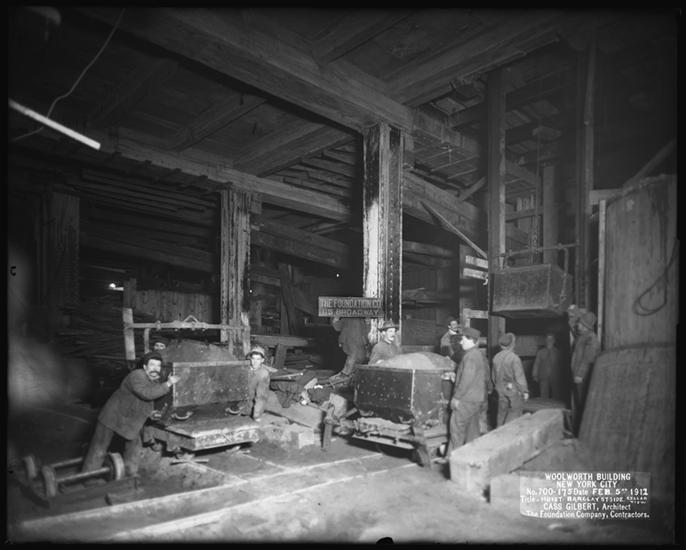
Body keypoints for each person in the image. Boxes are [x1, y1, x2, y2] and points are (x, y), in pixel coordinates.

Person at [81, 352, 180, 476]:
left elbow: (142, 402)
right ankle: (88, 477)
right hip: (112, 416)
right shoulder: (136, 375)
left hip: (130, 420)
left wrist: (150, 414)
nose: (155, 368)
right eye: (152, 365)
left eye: (158, 366)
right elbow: (147, 394)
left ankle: (130, 476)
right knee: (99, 448)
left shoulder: (154, 381)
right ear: (144, 366)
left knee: (134, 448)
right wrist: (168, 383)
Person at [441, 327, 489, 460]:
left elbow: (467, 379)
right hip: (475, 399)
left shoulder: (470, 356)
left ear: (472, 340)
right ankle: (472, 458)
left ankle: (453, 460)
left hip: (465, 400)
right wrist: (456, 376)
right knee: (472, 432)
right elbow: (472, 377)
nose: (461, 342)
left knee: (456, 428)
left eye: (463, 339)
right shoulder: (477, 354)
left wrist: (456, 397)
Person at [571, 311, 600, 434]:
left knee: (584, 404)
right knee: (578, 403)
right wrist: (572, 313)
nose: (577, 325)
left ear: (585, 326)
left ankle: (584, 432)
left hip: (583, 378)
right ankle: (578, 431)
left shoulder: (591, 338)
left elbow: (588, 359)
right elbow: (572, 326)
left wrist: (580, 374)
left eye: (580, 323)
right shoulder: (582, 336)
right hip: (577, 376)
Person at [493, 332, 529, 426]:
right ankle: (509, 432)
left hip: (500, 388)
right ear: (512, 344)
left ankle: (499, 432)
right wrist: (524, 391)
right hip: (512, 389)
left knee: (502, 413)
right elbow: (519, 377)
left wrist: (498, 386)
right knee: (515, 412)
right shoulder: (514, 358)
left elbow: (493, 376)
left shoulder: (496, 357)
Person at [245, 345, 274, 421]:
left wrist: (256, 416)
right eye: (253, 358)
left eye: (258, 359)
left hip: (253, 405)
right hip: (243, 402)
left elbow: (261, 397)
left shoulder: (263, 374)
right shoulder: (246, 369)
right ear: (250, 359)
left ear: (262, 360)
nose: (255, 362)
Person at [532, 333, 561, 400]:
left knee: (556, 395)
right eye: (547, 339)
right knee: (543, 395)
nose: (549, 341)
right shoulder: (540, 352)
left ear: (554, 341)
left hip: (555, 377)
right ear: (545, 341)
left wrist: (562, 376)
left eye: (551, 339)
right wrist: (534, 375)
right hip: (543, 377)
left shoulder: (558, 352)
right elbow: (536, 364)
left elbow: (561, 365)